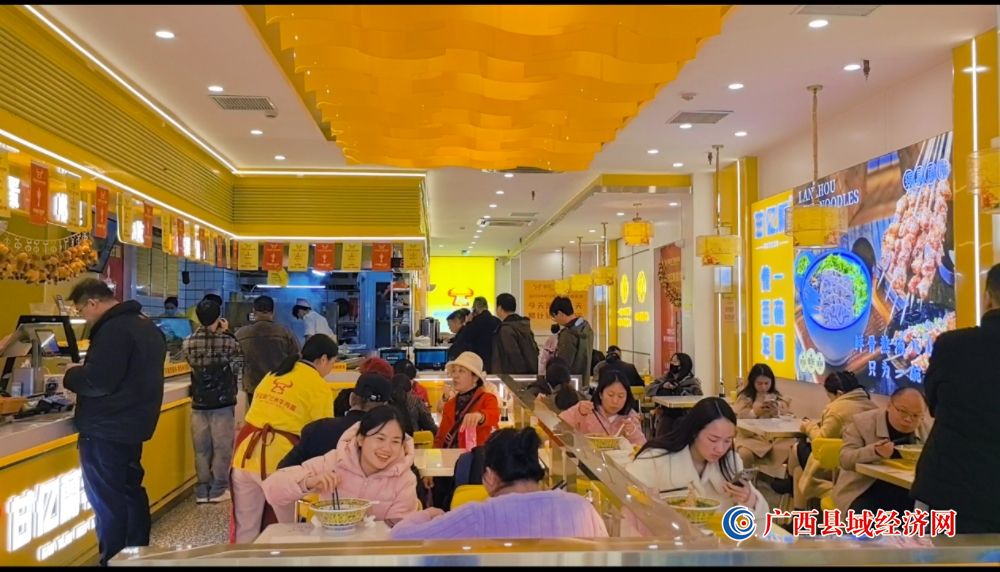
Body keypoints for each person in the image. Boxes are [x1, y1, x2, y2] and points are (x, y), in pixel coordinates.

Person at [63, 278, 167, 565]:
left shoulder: (113, 330)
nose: (84, 318)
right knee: (131, 492)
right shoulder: (146, 325)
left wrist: (71, 374)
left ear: (93, 302)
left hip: (105, 429)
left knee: (108, 501)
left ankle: (113, 558)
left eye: (82, 311)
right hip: (133, 426)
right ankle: (137, 555)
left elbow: (98, 382)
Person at [391, 428, 608, 539]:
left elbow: (401, 537)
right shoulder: (581, 508)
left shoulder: (477, 516)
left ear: (489, 476)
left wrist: (429, 513)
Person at [912, 263, 1000, 534]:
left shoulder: (952, 345)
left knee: (933, 553)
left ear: (987, 298)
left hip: (947, 490)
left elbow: (934, 404)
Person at [230, 334, 339, 543]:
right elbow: (321, 432)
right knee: (290, 530)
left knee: (246, 529)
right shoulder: (318, 385)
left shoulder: (274, 373)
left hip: (244, 455)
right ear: (324, 359)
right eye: (333, 363)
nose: (331, 369)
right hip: (280, 460)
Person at [261, 406, 419, 523]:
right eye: (380, 438)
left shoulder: (404, 480)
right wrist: (307, 483)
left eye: (395, 441)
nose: (387, 448)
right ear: (360, 439)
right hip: (331, 549)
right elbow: (272, 491)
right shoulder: (334, 462)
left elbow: (399, 534)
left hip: (375, 553)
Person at [627, 397, 769, 523]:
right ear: (695, 432)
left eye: (727, 441)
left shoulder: (731, 463)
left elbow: (758, 519)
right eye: (713, 439)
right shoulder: (656, 458)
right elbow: (625, 496)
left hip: (718, 541)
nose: (720, 449)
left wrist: (749, 499)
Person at [182, 299, 244, 504]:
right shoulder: (227, 341)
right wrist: (227, 332)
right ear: (218, 318)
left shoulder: (188, 342)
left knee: (201, 449)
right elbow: (239, 364)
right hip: (222, 402)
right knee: (222, 448)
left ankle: (202, 491)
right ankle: (218, 489)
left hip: (199, 402)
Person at [833, 388, 931, 514]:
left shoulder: (925, 430)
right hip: (865, 488)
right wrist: (874, 452)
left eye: (916, 416)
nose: (908, 419)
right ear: (889, 405)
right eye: (903, 411)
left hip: (906, 490)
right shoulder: (862, 422)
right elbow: (845, 459)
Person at [789, 370, 877, 510]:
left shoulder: (837, 409)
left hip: (838, 467)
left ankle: (794, 502)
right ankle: (797, 507)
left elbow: (820, 441)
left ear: (839, 393)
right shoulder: (872, 406)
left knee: (797, 451)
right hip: (863, 466)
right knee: (799, 465)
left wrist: (808, 426)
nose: (830, 401)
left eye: (830, 397)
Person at [428, 351, 501, 509]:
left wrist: (480, 416)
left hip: (475, 466)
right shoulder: (450, 404)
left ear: (475, 377)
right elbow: (440, 438)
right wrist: (431, 469)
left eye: (461, 371)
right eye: (454, 371)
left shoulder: (487, 399)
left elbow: (493, 416)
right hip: (448, 467)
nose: (455, 376)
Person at [280, 373, 394, 469]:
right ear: (385, 407)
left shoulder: (317, 429)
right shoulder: (391, 441)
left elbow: (283, 471)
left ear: (351, 399)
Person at [236, 295, 300, 407]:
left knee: (257, 416)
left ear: (254, 311)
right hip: (279, 388)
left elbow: (235, 360)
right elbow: (297, 357)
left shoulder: (241, 334)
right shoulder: (285, 332)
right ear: (273, 311)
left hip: (254, 388)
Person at [559, 371, 646, 447]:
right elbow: (559, 425)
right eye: (610, 395)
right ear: (601, 394)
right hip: (588, 458)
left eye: (621, 396)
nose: (615, 401)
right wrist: (577, 411)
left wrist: (633, 432)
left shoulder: (631, 417)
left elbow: (642, 448)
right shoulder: (587, 410)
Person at [733, 363, 793, 469]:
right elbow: (737, 417)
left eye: (766, 383)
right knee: (745, 454)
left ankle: (784, 478)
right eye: (759, 383)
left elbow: (788, 416)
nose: (763, 387)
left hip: (774, 438)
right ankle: (747, 478)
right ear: (753, 382)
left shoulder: (778, 397)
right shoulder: (745, 397)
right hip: (750, 437)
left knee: (792, 449)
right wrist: (754, 413)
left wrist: (777, 412)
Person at [646, 352, 703, 437]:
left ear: (683, 365)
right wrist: (662, 386)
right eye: (671, 361)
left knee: (680, 423)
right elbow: (648, 389)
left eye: (675, 362)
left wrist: (680, 391)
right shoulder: (666, 377)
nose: (672, 364)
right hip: (666, 412)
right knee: (665, 422)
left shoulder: (692, 382)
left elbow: (697, 398)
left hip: (684, 414)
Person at [549, 296, 594, 388]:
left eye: (554, 317)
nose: (556, 321)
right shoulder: (586, 328)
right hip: (583, 381)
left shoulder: (568, 334)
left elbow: (563, 364)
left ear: (560, 313)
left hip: (569, 384)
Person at [491, 293, 540, 374]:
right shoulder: (524, 325)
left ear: (499, 308)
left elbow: (513, 354)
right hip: (530, 373)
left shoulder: (506, 329)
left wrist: (521, 374)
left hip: (512, 377)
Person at [462, 296, 502, 371]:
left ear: (475, 309)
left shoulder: (474, 323)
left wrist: (468, 323)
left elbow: (465, 340)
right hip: (495, 362)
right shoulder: (497, 321)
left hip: (478, 362)